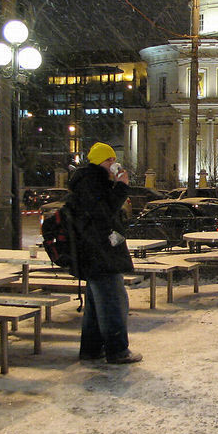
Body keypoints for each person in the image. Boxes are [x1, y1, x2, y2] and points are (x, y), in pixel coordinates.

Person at [69, 142, 142, 365]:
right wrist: (121, 187)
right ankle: (118, 350)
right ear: (100, 162)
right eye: (109, 160)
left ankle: (91, 349)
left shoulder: (91, 181)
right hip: (100, 253)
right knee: (113, 302)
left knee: (95, 304)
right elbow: (103, 213)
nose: (113, 164)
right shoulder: (93, 182)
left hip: (95, 252)